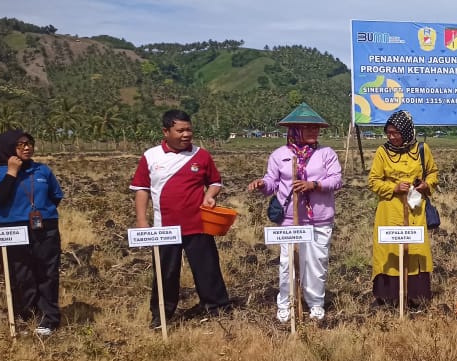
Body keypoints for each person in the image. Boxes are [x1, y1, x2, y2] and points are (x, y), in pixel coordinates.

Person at [131, 109, 232, 327]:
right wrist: (141, 220)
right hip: (164, 227)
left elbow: (215, 182)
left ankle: (217, 308)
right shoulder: (151, 156)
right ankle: (162, 314)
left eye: (189, 129)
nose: (186, 134)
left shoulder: (201, 155)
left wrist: (209, 196)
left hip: (198, 224)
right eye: (180, 130)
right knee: (165, 272)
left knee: (207, 268)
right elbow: (141, 189)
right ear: (166, 131)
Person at [248, 103, 342, 321]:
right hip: (290, 220)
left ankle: (315, 303)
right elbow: (272, 182)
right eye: (307, 128)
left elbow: (336, 180)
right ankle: (286, 302)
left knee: (317, 262)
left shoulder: (326, 154)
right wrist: (263, 184)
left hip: (318, 218)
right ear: (294, 130)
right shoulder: (279, 155)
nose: (313, 132)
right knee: (287, 263)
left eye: (315, 128)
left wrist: (314, 185)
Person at [0, 130, 63, 336]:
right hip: (13, 228)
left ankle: (49, 318)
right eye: (20, 144)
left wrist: (42, 211)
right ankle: (26, 314)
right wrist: (12, 172)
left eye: (29, 143)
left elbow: (55, 195)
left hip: (44, 227)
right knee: (20, 273)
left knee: (47, 272)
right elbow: (0, 197)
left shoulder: (42, 170)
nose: (27, 147)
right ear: (7, 147)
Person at [367, 110, 439, 309]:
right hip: (389, 209)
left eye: (396, 133)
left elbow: (433, 173)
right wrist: (393, 188)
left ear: (406, 132)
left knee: (416, 249)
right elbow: (373, 181)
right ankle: (387, 297)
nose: (392, 137)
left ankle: (416, 297)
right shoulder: (383, 152)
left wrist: (427, 185)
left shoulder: (422, 150)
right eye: (388, 133)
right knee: (389, 251)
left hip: (415, 208)